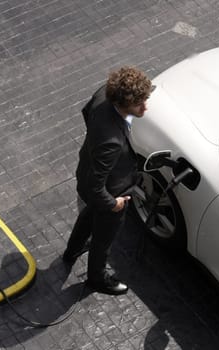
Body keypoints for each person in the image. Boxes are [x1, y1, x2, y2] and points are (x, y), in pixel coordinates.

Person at [63, 66, 154, 295]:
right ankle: (97, 278)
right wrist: (114, 204)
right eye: (138, 104)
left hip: (84, 174)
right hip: (109, 191)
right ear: (123, 104)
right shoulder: (111, 142)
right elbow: (97, 188)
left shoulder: (104, 94)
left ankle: (72, 251)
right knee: (103, 240)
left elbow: (86, 111)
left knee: (88, 213)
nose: (145, 107)